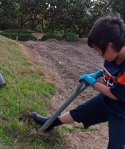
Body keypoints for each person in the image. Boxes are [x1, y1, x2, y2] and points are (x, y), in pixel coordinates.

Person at [32, 14, 125, 149]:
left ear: (110, 46)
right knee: (80, 112)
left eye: (99, 51)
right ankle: (49, 123)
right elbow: (110, 70)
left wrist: (93, 82)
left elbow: (114, 93)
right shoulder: (113, 54)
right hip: (106, 100)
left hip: (122, 112)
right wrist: (99, 73)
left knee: (116, 146)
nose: (99, 55)